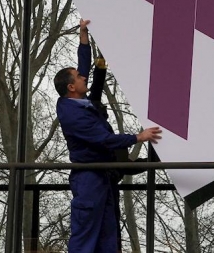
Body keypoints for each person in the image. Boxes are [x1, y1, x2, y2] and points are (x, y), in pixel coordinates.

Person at [55, 19, 162, 253]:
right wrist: (138, 137)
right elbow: (104, 140)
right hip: (89, 178)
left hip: (103, 176)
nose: (84, 77)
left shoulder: (78, 101)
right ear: (71, 87)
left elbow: (83, 66)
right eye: (79, 78)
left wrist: (83, 37)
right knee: (85, 238)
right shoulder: (75, 115)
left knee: (108, 237)